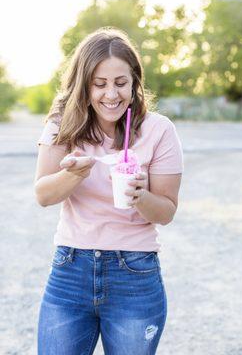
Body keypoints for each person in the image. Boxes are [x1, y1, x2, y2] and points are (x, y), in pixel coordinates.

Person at [35, 26, 184, 355]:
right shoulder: (62, 124)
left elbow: (167, 211)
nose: (111, 95)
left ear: (134, 83)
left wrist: (139, 197)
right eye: (99, 84)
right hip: (70, 269)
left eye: (121, 83)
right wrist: (75, 175)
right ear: (84, 85)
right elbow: (43, 194)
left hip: (135, 275)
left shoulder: (159, 131)